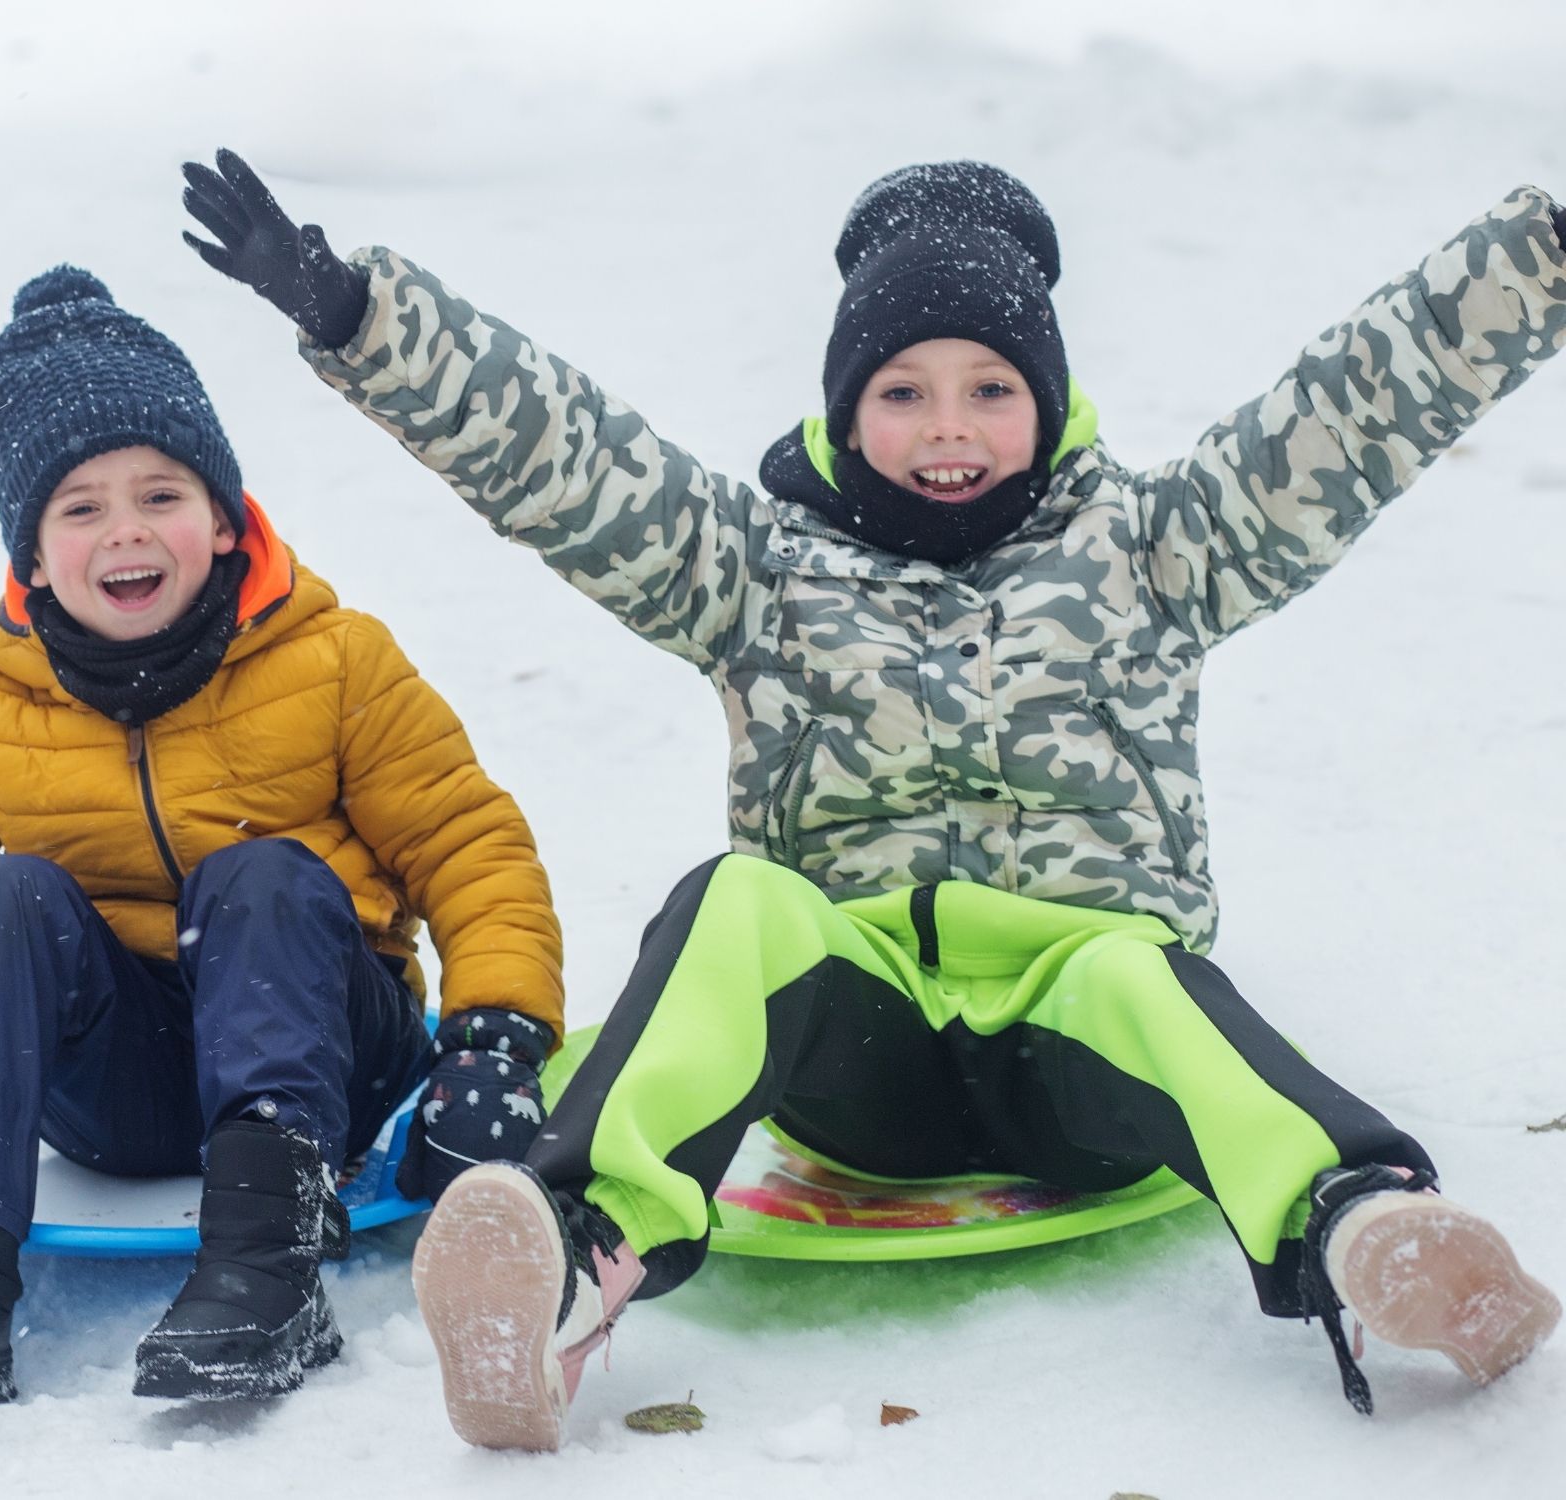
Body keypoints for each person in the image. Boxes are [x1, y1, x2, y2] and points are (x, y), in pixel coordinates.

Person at [182, 150, 1566, 1447]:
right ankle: (569, 1255)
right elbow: (569, 459)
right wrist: (362, 319)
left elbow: (1349, 412)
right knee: (736, 902)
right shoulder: (754, 568)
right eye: (902, 392)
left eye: (990, 388)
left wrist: (1540, 256)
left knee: (1137, 972)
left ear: (1052, 401)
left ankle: (1361, 1225)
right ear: (844, 410)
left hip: (1081, 1059)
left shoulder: (1155, 550)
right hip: (861, 1054)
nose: (947, 428)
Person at [0, 265, 565, 1407]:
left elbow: (467, 844)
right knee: (2, 896)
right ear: (32, 557)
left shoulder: (335, 663)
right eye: (80, 508)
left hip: (324, 1058)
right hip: (118, 1090)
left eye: (161, 493)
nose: (126, 530)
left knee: (261, 874)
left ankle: (266, 1277)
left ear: (225, 519)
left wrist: (492, 1043)